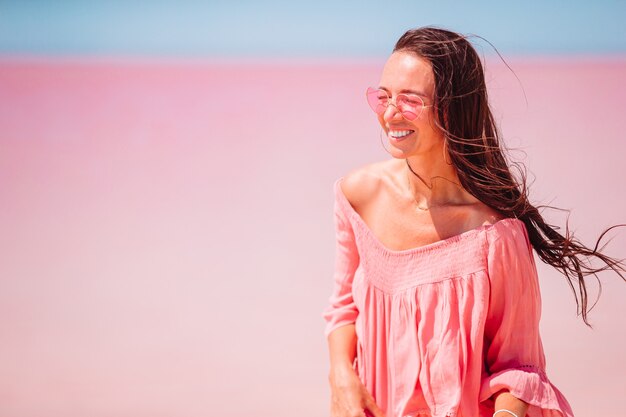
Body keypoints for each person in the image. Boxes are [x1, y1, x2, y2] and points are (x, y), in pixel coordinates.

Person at [322, 26, 625, 417]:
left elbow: (519, 368)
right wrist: (341, 377)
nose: (390, 114)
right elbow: (343, 307)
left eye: (410, 100)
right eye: (383, 98)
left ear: (452, 107)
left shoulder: (495, 235)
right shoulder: (356, 196)